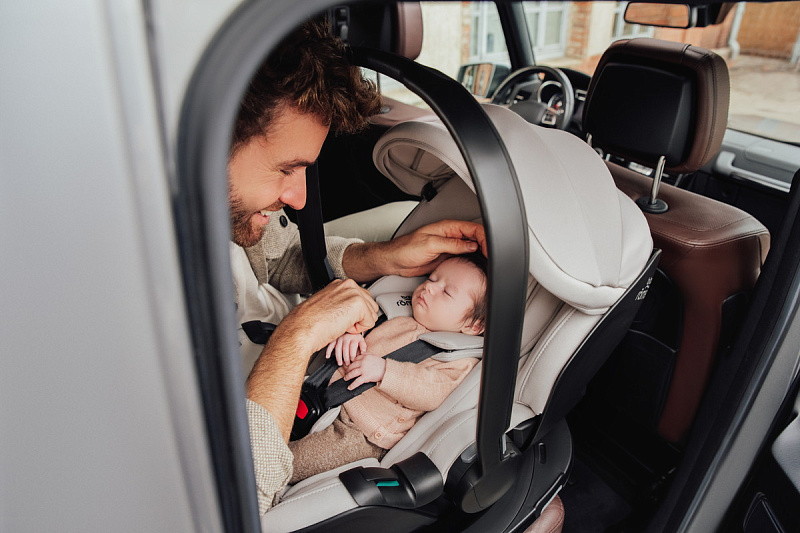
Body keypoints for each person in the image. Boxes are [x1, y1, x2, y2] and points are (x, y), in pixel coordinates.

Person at [227, 19, 488, 513]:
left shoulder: (230, 212)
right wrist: (300, 334)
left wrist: (386, 257)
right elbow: (240, 492)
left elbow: (280, 256)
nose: (298, 198)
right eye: (286, 168)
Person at [288, 254, 487, 484]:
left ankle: (267, 475)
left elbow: (431, 391)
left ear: (473, 325)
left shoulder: (457, 359)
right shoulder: (396, 311)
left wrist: (385, 371)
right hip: (322, 391)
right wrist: (352, 332)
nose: (430, 287)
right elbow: (363, 320)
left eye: (446, 292)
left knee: (296, 461)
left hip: (362, 431)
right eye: (432, 279)